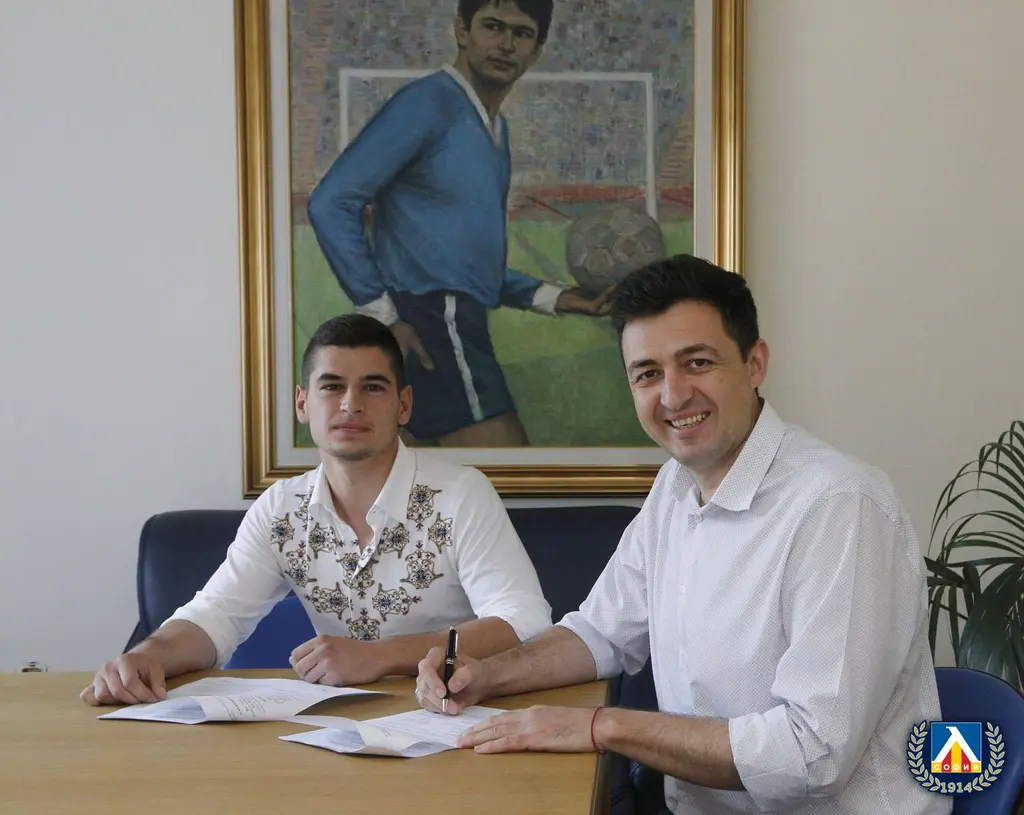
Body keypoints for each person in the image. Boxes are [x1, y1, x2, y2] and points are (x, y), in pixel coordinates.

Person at [415, 255, 951, 814]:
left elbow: (812, 754)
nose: (673, 396)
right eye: (647, 373)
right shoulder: (675, 485)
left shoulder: (839, 506)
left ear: (755, 363)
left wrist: (602, 726)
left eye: (697, 363)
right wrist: (486, 674)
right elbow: (600, 633)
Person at [81, 314, 552, 706]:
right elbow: (215, 616)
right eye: (332, 386)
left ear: (404, 405)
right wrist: (148, 656)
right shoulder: (281, 509)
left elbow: (525, 622)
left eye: (372, 387)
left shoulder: (461, 494)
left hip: (456, 716)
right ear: (303, 404)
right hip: (338, 726)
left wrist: (382, 655)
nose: (350, 404)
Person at [307, 0, 611, 448]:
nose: (505, 44)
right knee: (511, 468)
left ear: (537, 49)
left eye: (521, 33)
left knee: (423, 479)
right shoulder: (427, 104)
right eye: (493, 26)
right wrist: (383, 315)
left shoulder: (496, 130)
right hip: (434, 322)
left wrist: (559, 297)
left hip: (450, 321)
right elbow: (330, 202)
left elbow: (466, 264)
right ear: (462, 31)